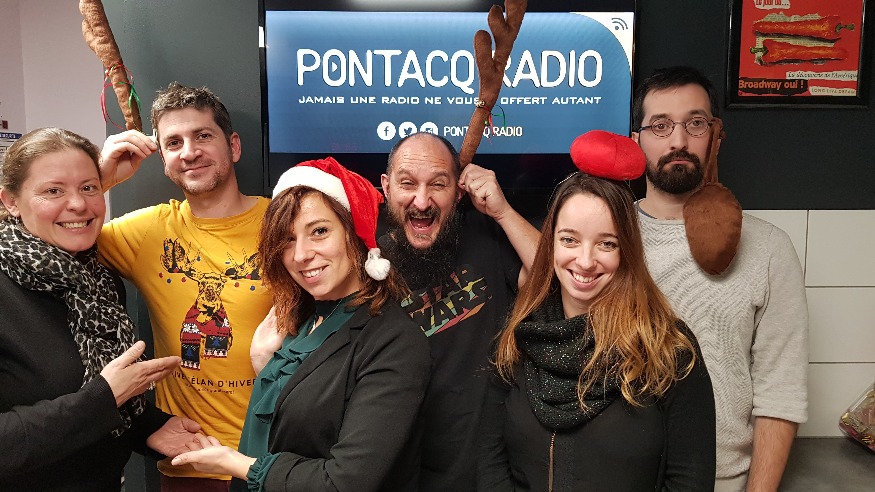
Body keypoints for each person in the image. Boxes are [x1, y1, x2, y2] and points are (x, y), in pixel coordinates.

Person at [170, 157, 431, 492]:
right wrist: (264, 364)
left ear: (355, 233)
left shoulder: (395, 342)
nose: (301, 254)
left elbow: (344, 482)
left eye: (319, 232)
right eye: (288, 239)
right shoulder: (301, 321)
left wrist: (234, 463)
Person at [478, 133, 716, 491]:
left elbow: (689, 479)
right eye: (569, 239)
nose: (585, 261)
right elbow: (490, 461)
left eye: (606, 243)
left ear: (627, 251)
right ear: (551, 243)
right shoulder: (519, 338)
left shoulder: (669, 349)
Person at [631, 66, 808, 491]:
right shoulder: (604, 242)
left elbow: (781, 390)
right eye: (660, 125)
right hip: (618, 476)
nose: (678, 141)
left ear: (715, 136)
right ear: (636, 140)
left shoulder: (769, 248)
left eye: (695, 123)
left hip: (724, 480)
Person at [0, 127, 202, 491]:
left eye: (89, 187)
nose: (78, 204)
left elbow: (104, 402)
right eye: (53, 191)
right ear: (11, 202)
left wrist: (149, 427)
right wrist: (105, 397)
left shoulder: (98, 280)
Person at [97, 83, 274, 490]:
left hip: (275, 459)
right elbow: (38, 236)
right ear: (163, 159)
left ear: (234, 146)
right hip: (190, 463)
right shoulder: (148, 232)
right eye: (173, 143)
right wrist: (100, 180)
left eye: (203, 136)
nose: (189, 152)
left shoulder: (284, 224)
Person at [377, 132, 540, 491]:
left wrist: (503, 212)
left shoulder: (485, 234)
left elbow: (554, 278)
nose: (422, 200)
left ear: (458, 191)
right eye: (407, 184)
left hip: (488, 471)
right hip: (399, 473)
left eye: (438, 184)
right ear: (386, 187)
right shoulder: (368, 261)